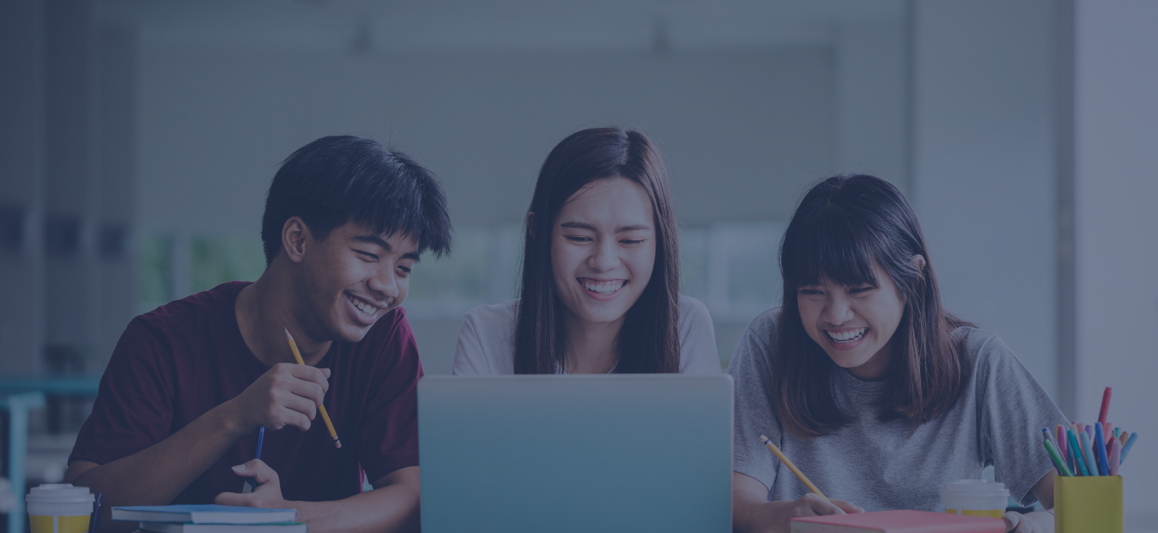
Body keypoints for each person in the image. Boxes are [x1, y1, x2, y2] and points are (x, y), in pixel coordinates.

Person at [65, 136, 452, 533]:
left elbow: (414, 496)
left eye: (404, 268)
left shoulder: (384, 338)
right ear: (297, 240)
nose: (389, 286)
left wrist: (289, 519)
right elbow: (88, 507)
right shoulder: (162, 340)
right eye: (369, 255)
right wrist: (235, 416)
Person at [730, 175, 1065, 533]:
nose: (836, 315)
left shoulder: (978, 361)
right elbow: (735, 499)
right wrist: (782, 517)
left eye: (859, 289)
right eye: (812, 291)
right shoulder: (770, 343)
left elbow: (1074, 505)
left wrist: (1030, 524)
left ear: (912, 279)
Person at [453, 127, 719, 375]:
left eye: (630, 240)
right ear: (537, 232)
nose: (604, 261)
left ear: (662, 240)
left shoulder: (685, 327)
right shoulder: (486, 334)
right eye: (580, 237)